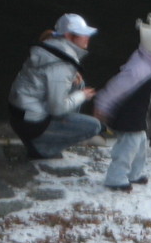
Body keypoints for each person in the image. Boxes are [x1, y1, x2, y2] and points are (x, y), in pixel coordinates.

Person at [93, 13, 151, 191]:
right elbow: (116, 88)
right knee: (127, 146)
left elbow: (149, 85)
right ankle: (115, 177)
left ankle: (134, 173)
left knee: (140, 144)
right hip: (127, 113)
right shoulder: (138, 68)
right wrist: (102, 106)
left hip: (138, 112)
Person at [8, 13, 103, 160]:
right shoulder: (62, 65)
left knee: (79, 84)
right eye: (82, 34)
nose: (87, 37)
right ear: (69, 36)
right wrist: (82, 96)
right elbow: (56, 109)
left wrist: (72, 79)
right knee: (94, 126)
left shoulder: (48, 47)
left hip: (18, 114)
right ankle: (43, 150)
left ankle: (39, 138)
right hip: (31, 123)